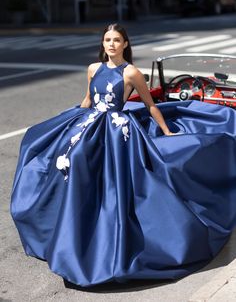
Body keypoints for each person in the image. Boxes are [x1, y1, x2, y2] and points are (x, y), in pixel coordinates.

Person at [11, 24, 236, 287]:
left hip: (116, 129)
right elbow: (87, 101)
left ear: (125, 44)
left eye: (117, 40)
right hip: (89, 122)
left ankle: (98, 232)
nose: (111, 44)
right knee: (63, 157)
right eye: (107, 39)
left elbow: (151, 105)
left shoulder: (131, 72)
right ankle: (61, 229)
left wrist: (166, 131)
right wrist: (66, 119)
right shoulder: (93, 68)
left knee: (94, 166)